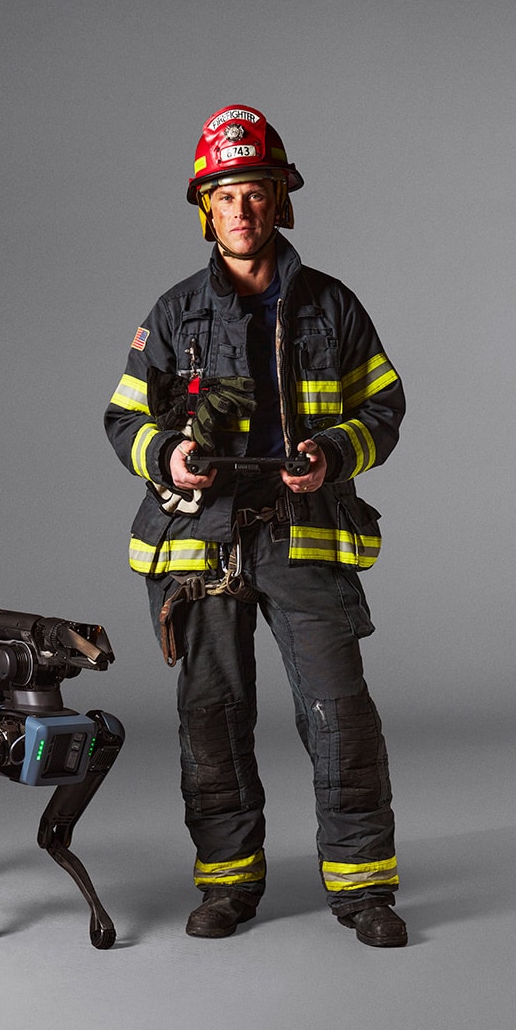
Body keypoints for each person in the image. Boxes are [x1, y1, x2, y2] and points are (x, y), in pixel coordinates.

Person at [104, 105, 408, 947]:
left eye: (256, 192)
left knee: (339, 711)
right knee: (212, 713)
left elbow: (385, 405)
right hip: (201, 538)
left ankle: (363, 889)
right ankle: (229, 884)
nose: (241, 209)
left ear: (281, 200)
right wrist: (167, 457)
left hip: (302, 530)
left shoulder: (332, 307)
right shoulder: (171, 316)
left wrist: (334, 456)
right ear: (208, 208)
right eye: (226, 194)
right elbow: (123, 419)